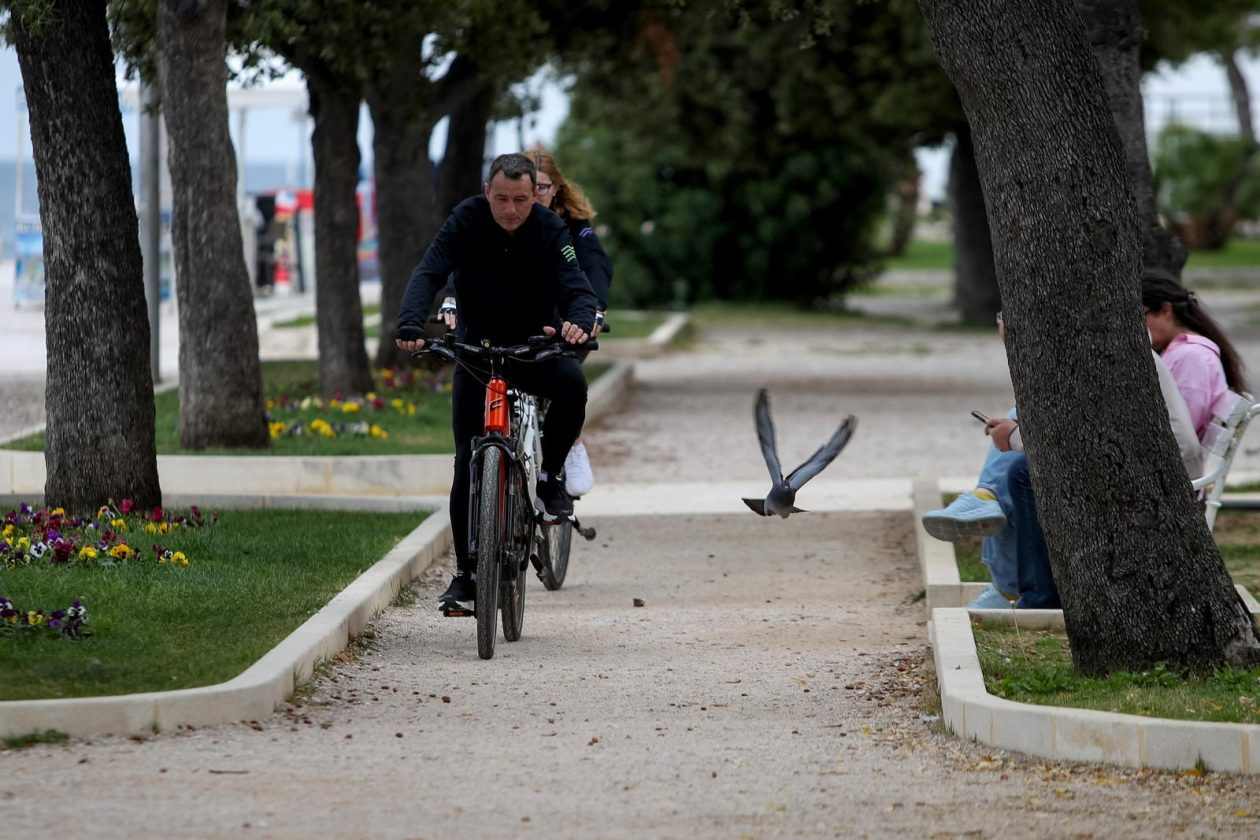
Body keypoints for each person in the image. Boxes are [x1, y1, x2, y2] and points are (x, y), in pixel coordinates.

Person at [395, 153, 598, 614]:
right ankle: (467, 575)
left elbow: (576, 285)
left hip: (530, 349)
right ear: (487, 192)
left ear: (535, 196)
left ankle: (549, 479)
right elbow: (430, 269)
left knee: (573, 387)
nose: (511, 209)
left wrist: (579, 322)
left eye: (521, 200)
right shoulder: (466, 219)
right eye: (502, 199)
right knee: (467, 459)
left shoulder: (549, 228)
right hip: (476, 354)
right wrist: (410, 323)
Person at [922, 297, 1208, 609]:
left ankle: (1023, 590)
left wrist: (1016, 436)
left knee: (1021, 473)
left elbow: (1082, 436)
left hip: (1152, 475)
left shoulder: (1108, 359)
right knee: (1017, 461)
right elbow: (1079, 428)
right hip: (1144, 465)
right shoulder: (1111, 350)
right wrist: (1017, 431)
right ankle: (989, 510)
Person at [435, 149, 613, 497]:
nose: (530, 199)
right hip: (511, 320)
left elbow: (593, 269)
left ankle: (568, 446)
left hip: (564, 316)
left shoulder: (568, 225)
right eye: (505, 196)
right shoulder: (495, 221)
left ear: (551, 190)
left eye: (542, 188)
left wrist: (594, 312)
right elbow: (474, 269)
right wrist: (453, 298)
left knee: (568, 382)